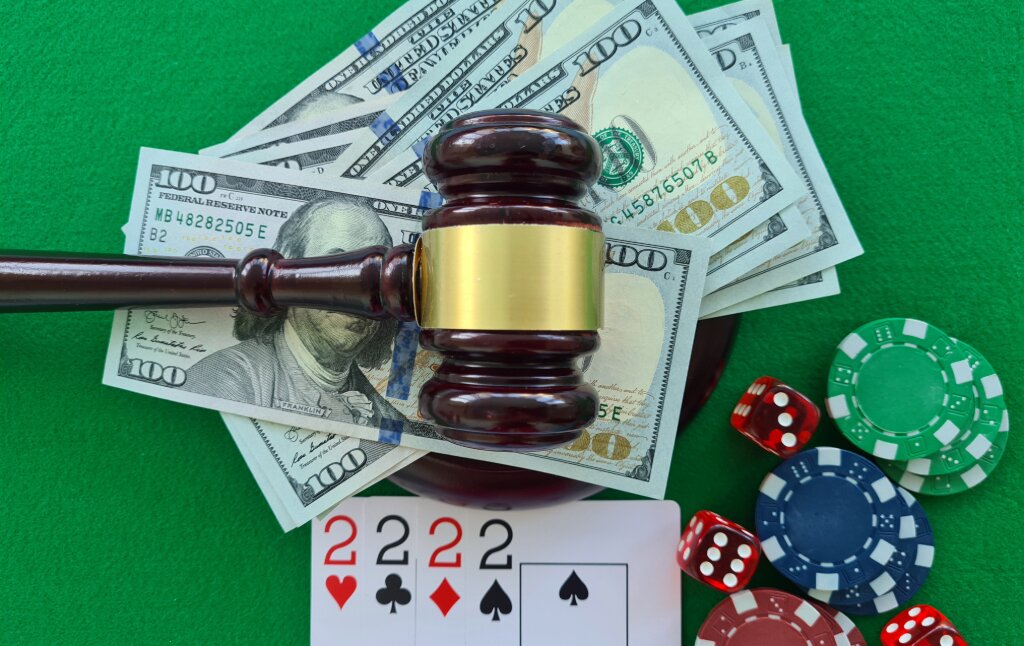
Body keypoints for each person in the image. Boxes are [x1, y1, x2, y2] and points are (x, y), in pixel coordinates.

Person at [183, 197, 404, 428]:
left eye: (378, 276)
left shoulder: (391, 421)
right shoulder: (225, 380)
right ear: (285, 276)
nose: (364, 294)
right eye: (337, 267)